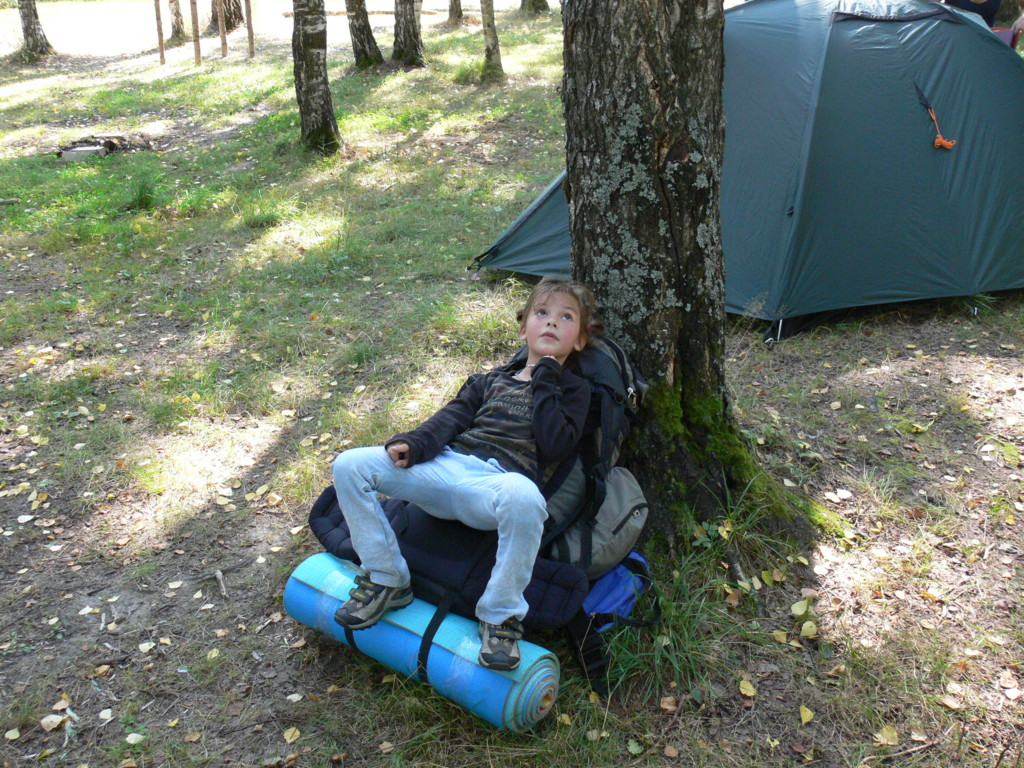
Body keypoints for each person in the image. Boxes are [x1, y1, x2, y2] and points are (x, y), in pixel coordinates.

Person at [330, 277, 596, 671]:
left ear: (580, 341)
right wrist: (414, 443)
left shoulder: (573, 390)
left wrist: (546, 377)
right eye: (542, 313)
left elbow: (555, 444)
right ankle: (387, 578)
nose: (552, 322)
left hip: (495, 485)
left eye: (566, 317)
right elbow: (450, 419)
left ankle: (500, 615)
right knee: (350, 465)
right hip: (445, 468)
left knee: (526, 499)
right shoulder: (490, 380)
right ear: (523, 329)